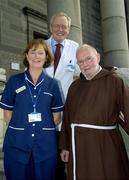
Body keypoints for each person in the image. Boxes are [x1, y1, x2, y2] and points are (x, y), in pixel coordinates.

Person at [60, 44, 129, 180]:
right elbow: (67, 118)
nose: (85, 64)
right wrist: (65, 146)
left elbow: (127, 110)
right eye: (81, 61)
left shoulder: (114, 81)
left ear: (97, 57)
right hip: (78, 146)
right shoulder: (74, 87)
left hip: (105, 145)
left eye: (89, 59)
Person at [0, 38, 64, 180]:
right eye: (33, 52)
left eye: (41, 53)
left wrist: (42, 128)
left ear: (46, 57)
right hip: (17, 145)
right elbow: (7, 114)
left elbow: (57, 117)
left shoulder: (53, 84)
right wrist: (22, 128)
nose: (36, 57)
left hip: (45, 147)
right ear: (27, 56)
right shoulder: (14, 81)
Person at [45, 12, 80, 179]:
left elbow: (86, 72)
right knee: (44, 156)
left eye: (64, 27)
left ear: (68, 30)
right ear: (51, 27)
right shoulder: (40, 46)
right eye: (57, 26)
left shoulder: (75, 47)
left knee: (61, 156)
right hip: (42, 111)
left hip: (64, 110)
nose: (60, 29)